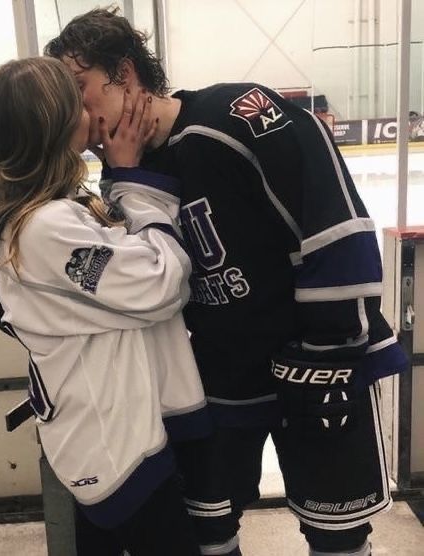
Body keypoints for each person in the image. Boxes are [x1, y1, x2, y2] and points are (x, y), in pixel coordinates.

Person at [45, 7, 410, 556]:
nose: (76, 110)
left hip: (314, 359)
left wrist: (330, 351)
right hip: (216, 372)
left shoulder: (234, 115)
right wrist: (120, 178)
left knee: (338, 529)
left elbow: (333, 224)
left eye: (80, 88)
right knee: (206, 526)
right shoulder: (123, 173)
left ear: (124, 72)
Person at [0, 56, 210, 555]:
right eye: (78, 105)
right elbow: (160, 284)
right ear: (60, 127)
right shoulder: (45, 227)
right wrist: (131, 178)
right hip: (113, 448)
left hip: (102, 433)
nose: (92, 111)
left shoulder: (41, 213)